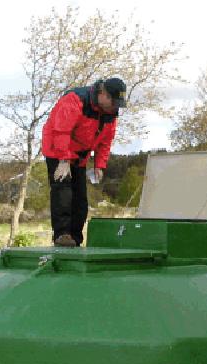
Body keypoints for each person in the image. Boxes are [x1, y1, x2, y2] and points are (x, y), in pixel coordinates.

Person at [41, 77, 127, 247]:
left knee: (80, 200)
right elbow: (61, 131)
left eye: (118, 103)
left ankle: (75, 239)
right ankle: (62, 235)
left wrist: (99, 165)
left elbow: (105, 141)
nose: (115, 107)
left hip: (80, 156)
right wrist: (63, 159)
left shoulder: (110, 114)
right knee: (63, 191)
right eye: (114, 102)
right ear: (103, 94)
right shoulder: (75, 100)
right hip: (57, 150)